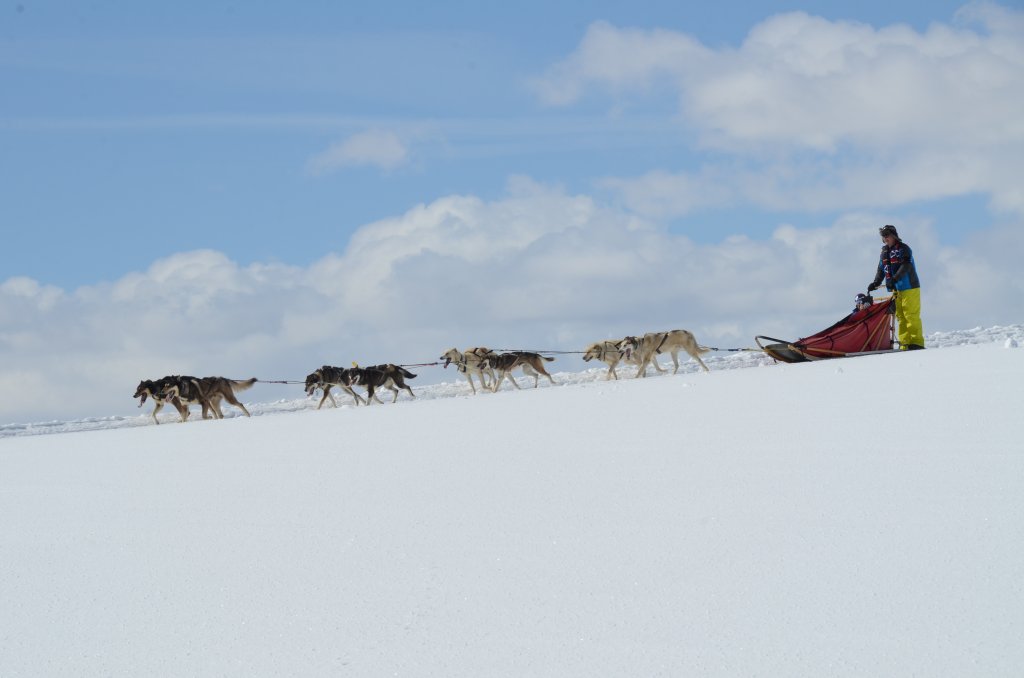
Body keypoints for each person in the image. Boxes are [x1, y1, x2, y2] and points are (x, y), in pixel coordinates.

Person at [867, 225, 924, 350]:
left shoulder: (904, 249)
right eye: (883, 236)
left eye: (887, 235)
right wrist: (876, 282)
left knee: (910, 315)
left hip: (910, 287)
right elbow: (881, 270)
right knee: (900, 317)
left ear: (894, 236)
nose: (885, 238)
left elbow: (906, 266)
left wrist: (895, 279)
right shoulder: (884, 253)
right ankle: (905, 344)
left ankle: (917, 343)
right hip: (896, 289)